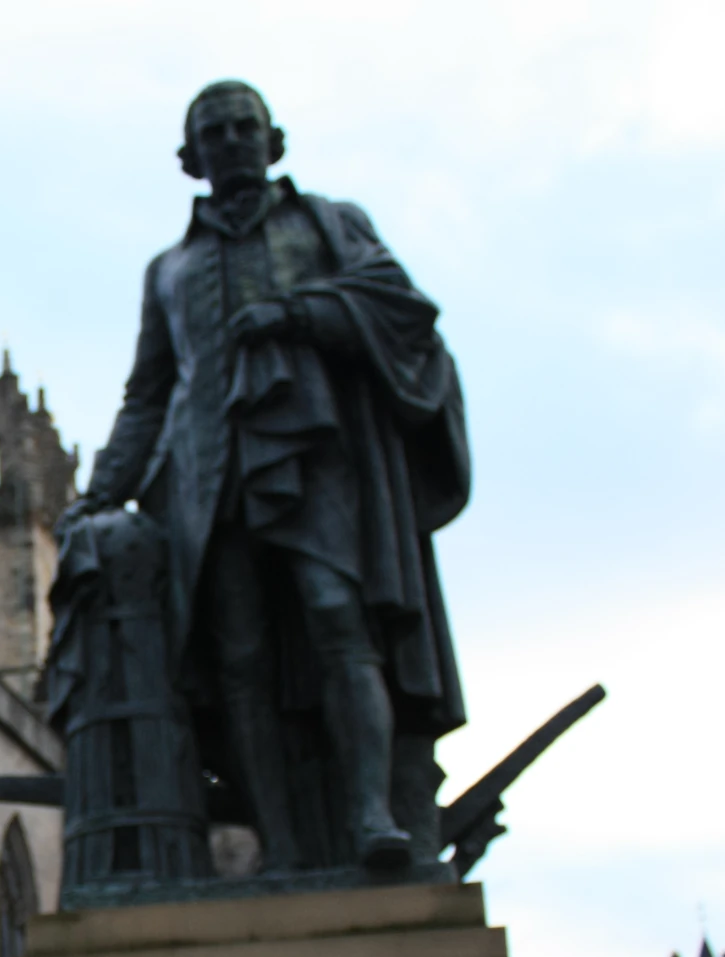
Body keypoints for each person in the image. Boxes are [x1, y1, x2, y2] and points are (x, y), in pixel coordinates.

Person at [65, 79, 469, 875]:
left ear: (274, 139)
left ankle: (370, 817)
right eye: (214, 134)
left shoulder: (328, 224)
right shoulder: (170, 269)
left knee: (337, 618)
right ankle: (279, 847)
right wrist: (100, 490)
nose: (233, 142)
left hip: (312, 451)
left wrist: (301, 313)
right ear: (191, 158)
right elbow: (149, 391)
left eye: (246, 128)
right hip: (205, 476)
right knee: (237, 658)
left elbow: (401, 308)